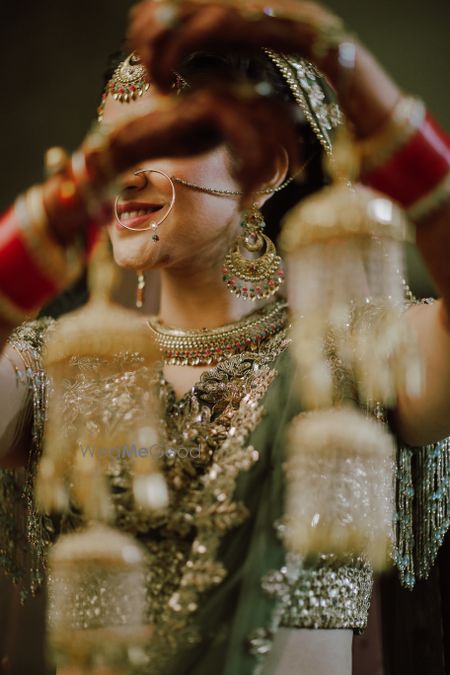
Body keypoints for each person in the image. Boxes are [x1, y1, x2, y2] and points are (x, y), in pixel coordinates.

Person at [0, 1, 449, 674]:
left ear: (266, 167)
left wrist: (346, 70)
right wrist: (53, 215)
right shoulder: (60, 366)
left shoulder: (360, 351)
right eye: (109, 144)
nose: (122, 170)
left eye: (160, 137)